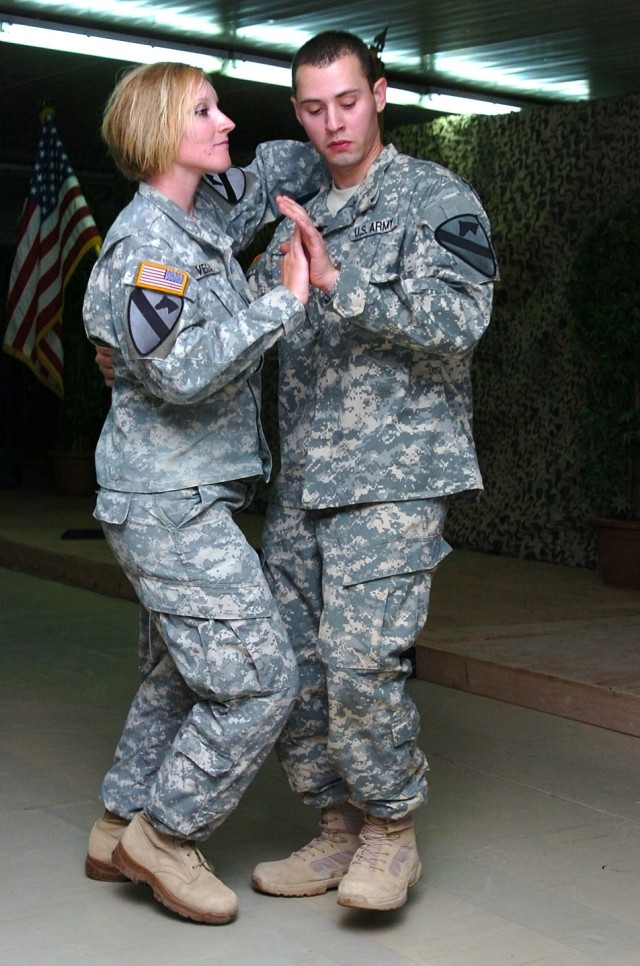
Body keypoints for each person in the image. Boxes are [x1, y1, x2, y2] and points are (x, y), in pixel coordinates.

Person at [246, 31, 498, 912]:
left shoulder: (435, 196)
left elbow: (462, 318)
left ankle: (391, 834)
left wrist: (338, 279)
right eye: (314, 109)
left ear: (379, 95)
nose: (333, 123)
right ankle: (337, 827)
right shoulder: (296, 202)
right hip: (303, 481)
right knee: (294, 669)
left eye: (347, 102)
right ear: (298, 112)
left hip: (393, 480)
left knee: (360, 663)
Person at [82, 61, 326, 925]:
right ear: (159, 134)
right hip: (167, 502)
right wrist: (285, 302)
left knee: (181, 675)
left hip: (183, 492)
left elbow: (271, 177)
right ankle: (167, 834)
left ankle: (117, 824)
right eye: (205, 110)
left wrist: (274, 270)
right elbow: (184, 371)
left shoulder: (199, 223)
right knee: (264, 677)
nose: (226, 122)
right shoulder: (150, 244)